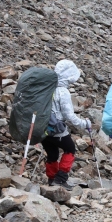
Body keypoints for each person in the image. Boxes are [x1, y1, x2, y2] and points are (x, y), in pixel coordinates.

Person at [42, 60, 91, 189]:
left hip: (42, 128)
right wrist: (84, 123)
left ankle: (52, 179)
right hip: (56, 128)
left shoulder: (47, 88)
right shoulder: (62, 92)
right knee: (70, 149)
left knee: (52, 153)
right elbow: (69, 116)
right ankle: (61, 179)